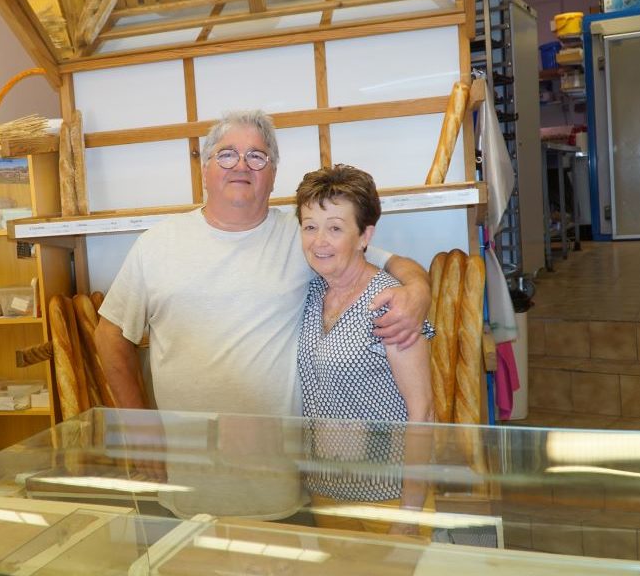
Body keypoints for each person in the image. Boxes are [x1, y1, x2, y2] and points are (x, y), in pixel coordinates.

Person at [95, 109, 431, 416]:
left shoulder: (304, 235)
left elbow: (388, 264)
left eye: (257, 157)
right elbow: (110, 334)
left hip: (281, 464)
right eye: (226, 155)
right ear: (205, 170)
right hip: (187, 458)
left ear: (272, 176)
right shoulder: (156, 244)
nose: (241, 165)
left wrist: (417, 290)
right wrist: (139, 425)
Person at [294, 164, 434, 536]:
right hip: (325, 495)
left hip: (388, 500)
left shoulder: (391, 302)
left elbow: (423, 410)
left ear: (364, 235)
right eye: (310, 226)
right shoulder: (310, 294)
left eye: (335, 228)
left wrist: (409, 512)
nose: (319, 241)